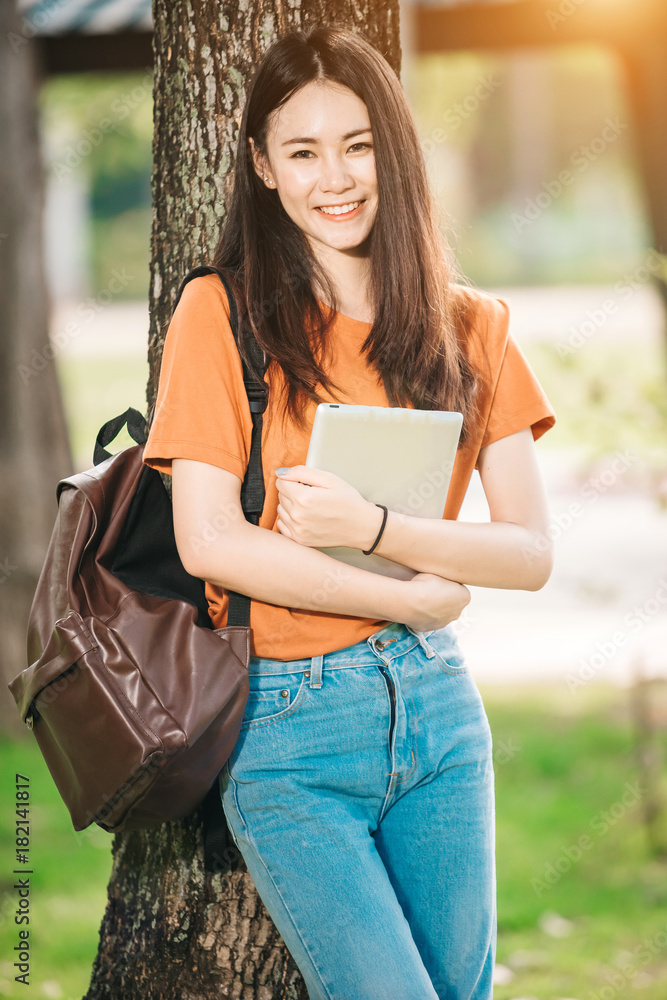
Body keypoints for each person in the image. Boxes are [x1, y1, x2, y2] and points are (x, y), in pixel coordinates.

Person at [143, 24, 556, 1000]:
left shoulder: (471, 327)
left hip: (440, 715)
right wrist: (413, 597)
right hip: (288, 726)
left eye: (358, 143)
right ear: (262, 166)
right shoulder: (221, 316)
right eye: (302, 150)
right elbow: (210, 539)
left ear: (395, 150)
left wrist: (377, 532)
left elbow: (528, 550)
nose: (335, 175)